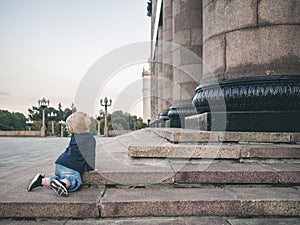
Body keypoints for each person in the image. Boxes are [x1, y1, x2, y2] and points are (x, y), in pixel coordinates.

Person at [27, 111, 96, 197]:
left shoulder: (74, 136)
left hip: (60, 164)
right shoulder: (90, 138)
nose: (88, 116)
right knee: (74, 179)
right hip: (71, 167)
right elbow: (90, 156)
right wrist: (91, 169)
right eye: (86, 115)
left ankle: (41, 181)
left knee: (60, 178)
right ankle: (62, 184)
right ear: (83, 123)